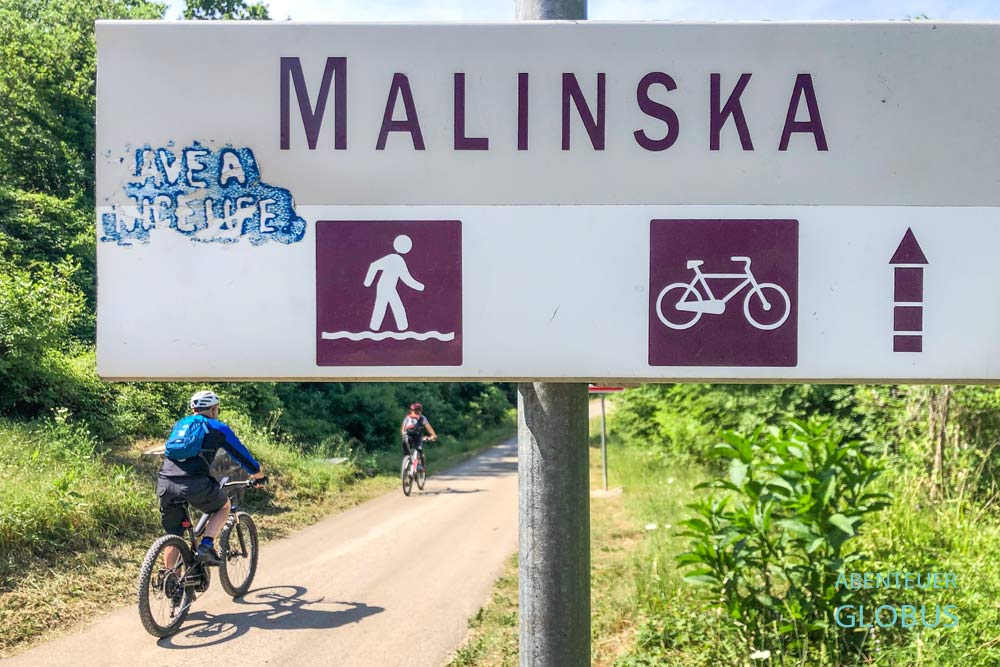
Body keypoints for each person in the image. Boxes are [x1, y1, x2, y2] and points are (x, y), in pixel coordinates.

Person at [158, 390, 266, 565]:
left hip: (166, 482)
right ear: (214, 409)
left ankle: (172, 583)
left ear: (194, 409)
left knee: (174, 535)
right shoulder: (218, 428)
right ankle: (206, 545)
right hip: (195, 483)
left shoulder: (180, 425)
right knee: (224, 507)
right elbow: (241, 455)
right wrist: (259, 475)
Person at [401, 402, 437, 471]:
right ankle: (421, 467)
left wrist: (403, 434)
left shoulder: (407, 417)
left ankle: (407, 461)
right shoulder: (422, 418)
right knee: (419, 450)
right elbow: (429, 428)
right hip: (417, 437)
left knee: (406, 448)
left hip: (407, 436)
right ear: (420, 410)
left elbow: (403, 429)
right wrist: (433, 436)